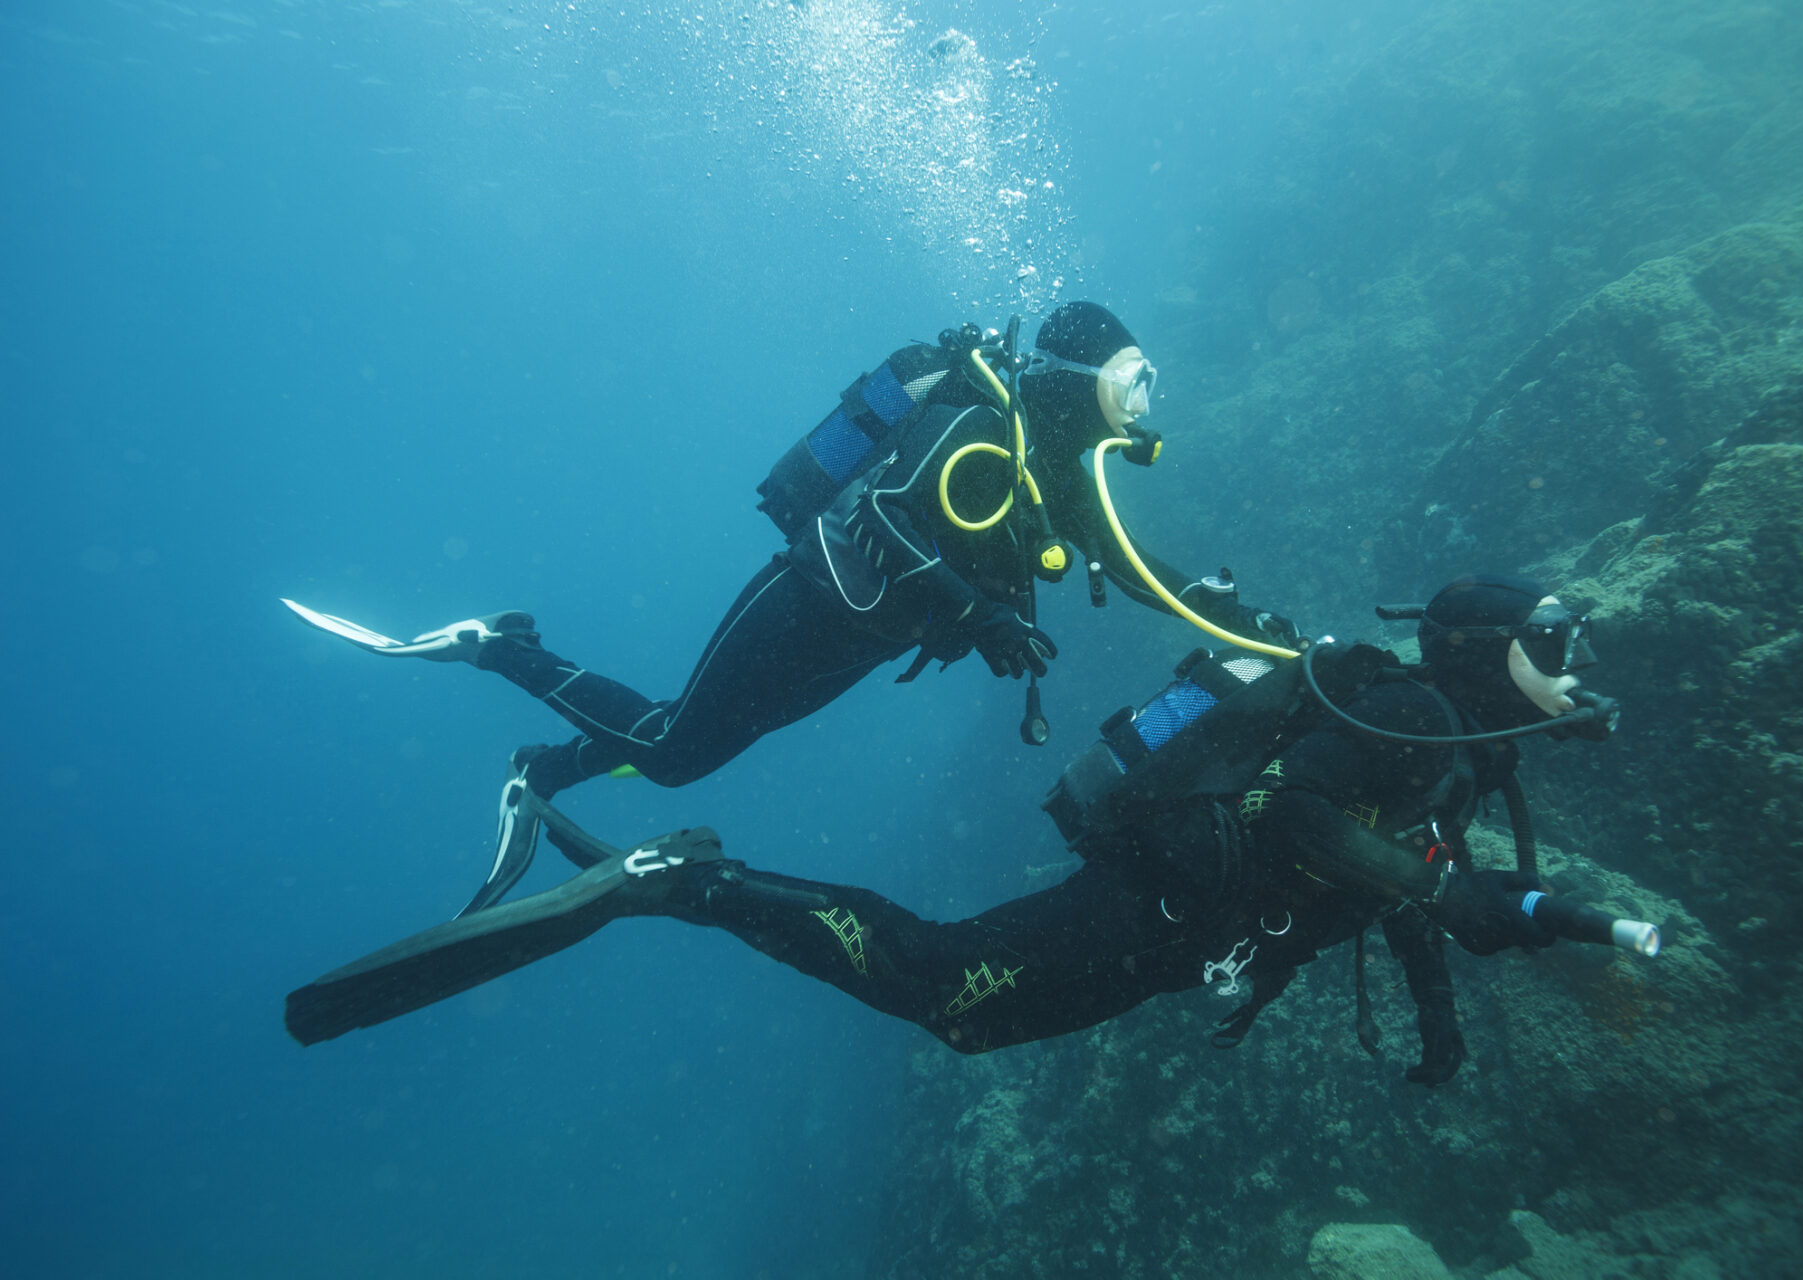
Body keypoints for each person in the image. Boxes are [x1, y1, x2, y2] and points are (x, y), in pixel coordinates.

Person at [287, 573, 1650, 1081]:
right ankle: (680, 880)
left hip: (1184, 938)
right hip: (1158, 913)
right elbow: (1312, 817)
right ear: (1484, 650)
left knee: (966, 1015)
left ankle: (689, 873)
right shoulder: (1411, 706)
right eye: (1555, 638)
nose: (1570, 658)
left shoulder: (1451, 758)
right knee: (942, 986)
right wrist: (1457, 913)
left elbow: (1421, 886)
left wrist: (1443, 1031)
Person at [286, 302, 1295, 916]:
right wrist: (978, 615)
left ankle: (548, 766)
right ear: (1084, 375)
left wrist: (1228, 617)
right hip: (808, 598)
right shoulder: (984, 425)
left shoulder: (1057, 466)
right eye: (1135, 379)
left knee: (695, 748)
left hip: (859, 640)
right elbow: (892, 525)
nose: (1145, 399)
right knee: (679, 744)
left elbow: (1132, 563)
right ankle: (502, 648)